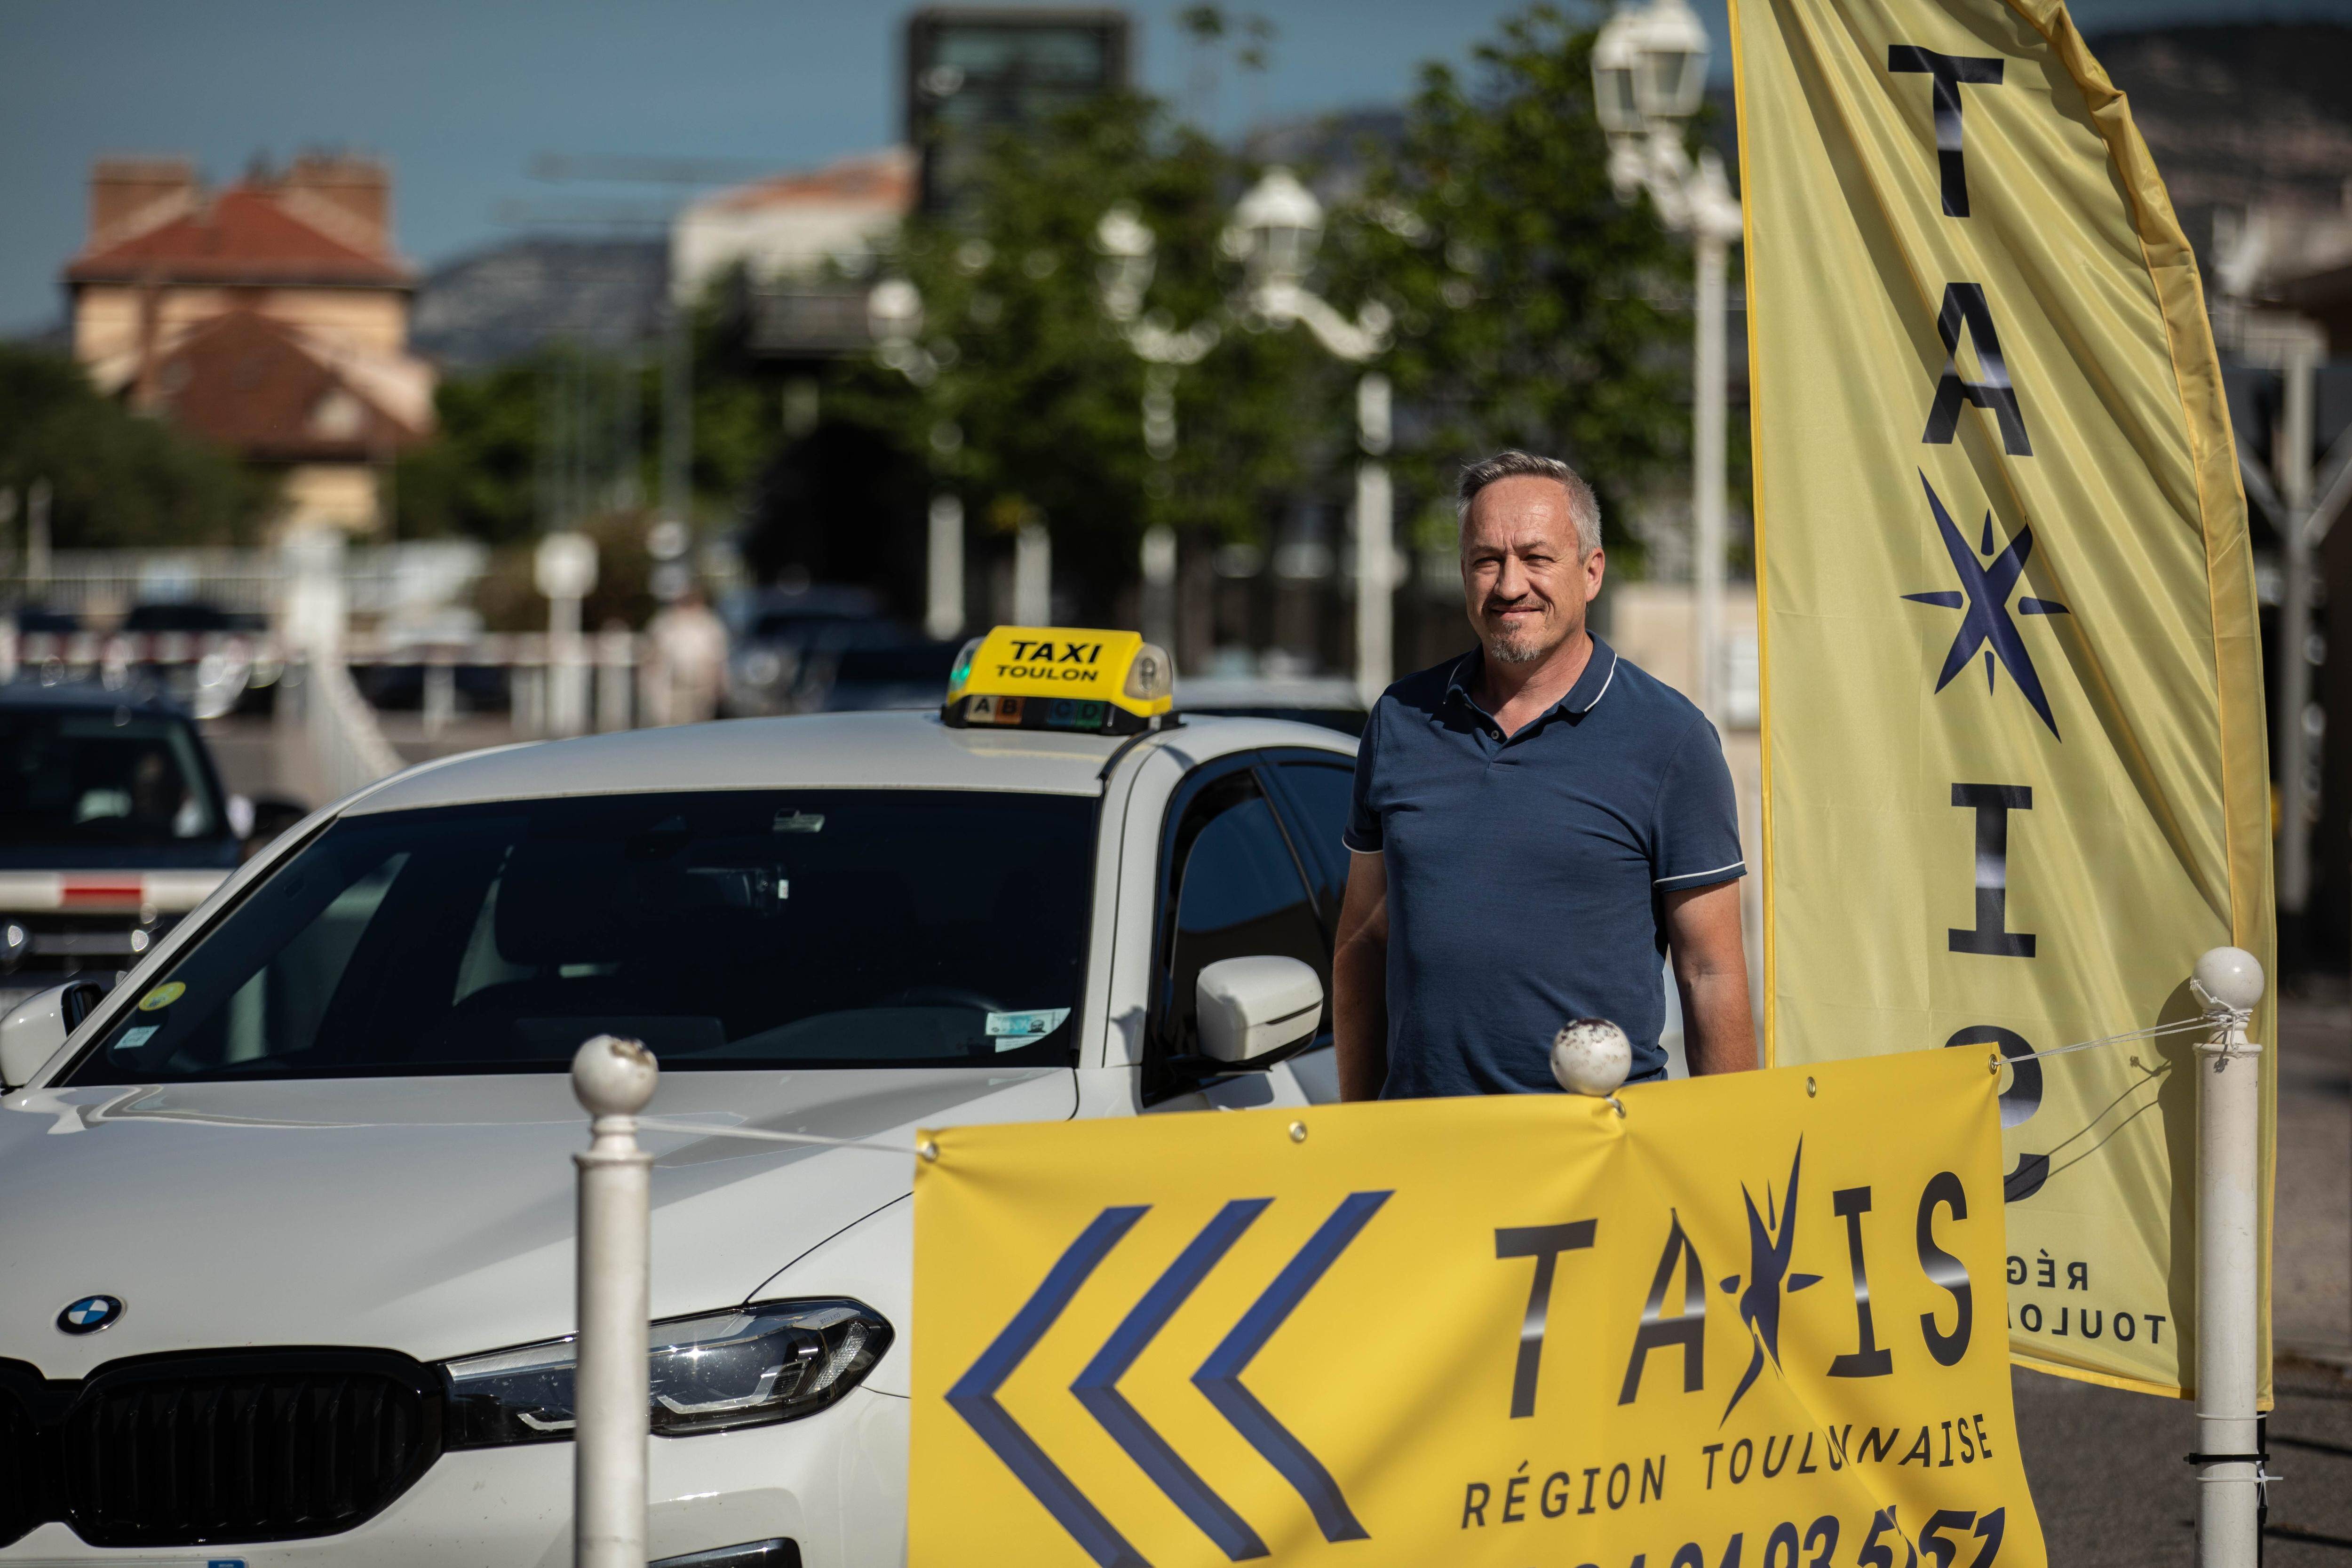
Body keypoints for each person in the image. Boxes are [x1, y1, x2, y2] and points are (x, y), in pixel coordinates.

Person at [1332, 450, 1756, 1099]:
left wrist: (1733, 1145)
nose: (1509, 586)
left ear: (1591, 572)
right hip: (1423, 1144)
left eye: (1536, 558)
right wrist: (1357, 1127)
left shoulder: (1670, 740)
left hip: (1596, 1143)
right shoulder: (1401, 719)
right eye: (1486, 560)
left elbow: (1710, 973)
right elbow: (1364, 941)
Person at [643, 585, 730, 725]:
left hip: (702, 687)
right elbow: (653, 654)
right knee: (674, 725)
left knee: (700, 725)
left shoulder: (709, 623)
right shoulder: (665, 622)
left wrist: (720, 685)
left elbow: (719, 656)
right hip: (673, 688)